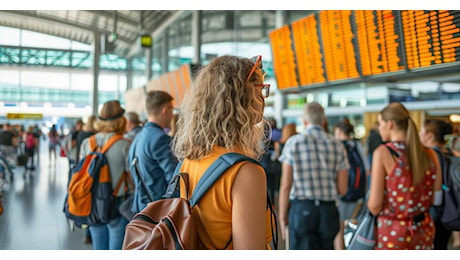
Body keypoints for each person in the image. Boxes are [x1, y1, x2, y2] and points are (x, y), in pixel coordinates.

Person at [171, 55, 274, 249]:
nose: (263, 97)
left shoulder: (189, 159)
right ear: (240, 99)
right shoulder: (245, 172)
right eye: (260, 89)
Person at [368, 102, 442, 250]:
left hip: (393, 233)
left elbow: (375, 206)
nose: (379, 128)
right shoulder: (431, 154)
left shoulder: (383, 153)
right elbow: (437, 199)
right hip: (424, 230)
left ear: (389, 124)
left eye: (380, 123)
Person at [277, 102, 349, 250]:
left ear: (304, 121)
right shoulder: (338, 145)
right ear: (324, 121)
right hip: (328, 211)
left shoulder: (293, 143)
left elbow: (285, 185)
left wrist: (282, 216)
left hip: (302, 209)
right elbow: (342, 189)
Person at [79, 100, 132, 250]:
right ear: (122, 120)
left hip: (92, 200)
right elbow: (131, 176)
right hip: (117, 200)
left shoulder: (86, 143)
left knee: (98, 245)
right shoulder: (126, 144)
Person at [127, 90, 178, 215]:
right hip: (158, 211)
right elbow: (174, 179)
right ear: (165, 110)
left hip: (141, 207)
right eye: (172, 110)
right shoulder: (160, 139)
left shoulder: (138, 138)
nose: (172, 115)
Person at [332, 120, 370, 250]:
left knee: (339, 227)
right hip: (357, 191)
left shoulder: (337, 145)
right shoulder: (358, 145)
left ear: (339, 131)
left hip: (340, 191)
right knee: (354, 223)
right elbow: (366, 169)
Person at [419, 118, 454, 250]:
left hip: (433, 209)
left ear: (429, 136)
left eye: (422, 131)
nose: (419, 134)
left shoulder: (428, 155)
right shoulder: (449, 154)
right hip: (450, 208)